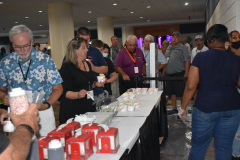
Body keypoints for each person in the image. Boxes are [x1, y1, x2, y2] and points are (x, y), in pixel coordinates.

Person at [179, 24, 240, 160]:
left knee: (199, 147)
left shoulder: (200, 58)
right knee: (224, 148)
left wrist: (183, 107)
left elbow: (191, 86)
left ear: (211, 39)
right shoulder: (236, 59)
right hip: (232, 108)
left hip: (205, 109)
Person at [0, 25, 63, 136]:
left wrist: (47, 105)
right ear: (12, 43)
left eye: (26, 46)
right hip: (17, 113)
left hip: (42, 110)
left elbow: (58, 88)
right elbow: (1, 89)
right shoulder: (6, 63)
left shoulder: (45, 60)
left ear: (32, 41)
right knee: (20, 147)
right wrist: (4, 97)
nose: (23, 50)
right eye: (17, 47)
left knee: (45, 145)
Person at [59, 37, 103, 124]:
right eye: (84, 48)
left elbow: (89, 84)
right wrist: (78, 94)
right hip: (73, 109)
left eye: (86, 47)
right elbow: (63, 92)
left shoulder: (87, 63)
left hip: (88, 106)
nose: (87, 50)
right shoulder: (67, 67)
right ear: (75, 50)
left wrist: (96, 84)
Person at [77, 27, 108, 103]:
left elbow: (105, 69)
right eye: (82, 39)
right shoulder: (73, 53)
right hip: (80, 93)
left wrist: (93, 68)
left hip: (97, 91)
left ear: (90, 37)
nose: (85, 41)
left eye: (87, 39)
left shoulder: (95, 51)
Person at [164, 32, 190, 115]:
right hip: (169, 73)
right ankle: (174, 108)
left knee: (181, 93)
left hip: (179, 73)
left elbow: (187, 61)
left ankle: (183, 110)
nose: (174, 39)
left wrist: (186, 73)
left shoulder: (183, 48)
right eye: (173, 37)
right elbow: (165, 60)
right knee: (171, 92)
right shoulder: (168, 47)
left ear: (179, 39)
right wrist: (164, 71)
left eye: (176, 37)